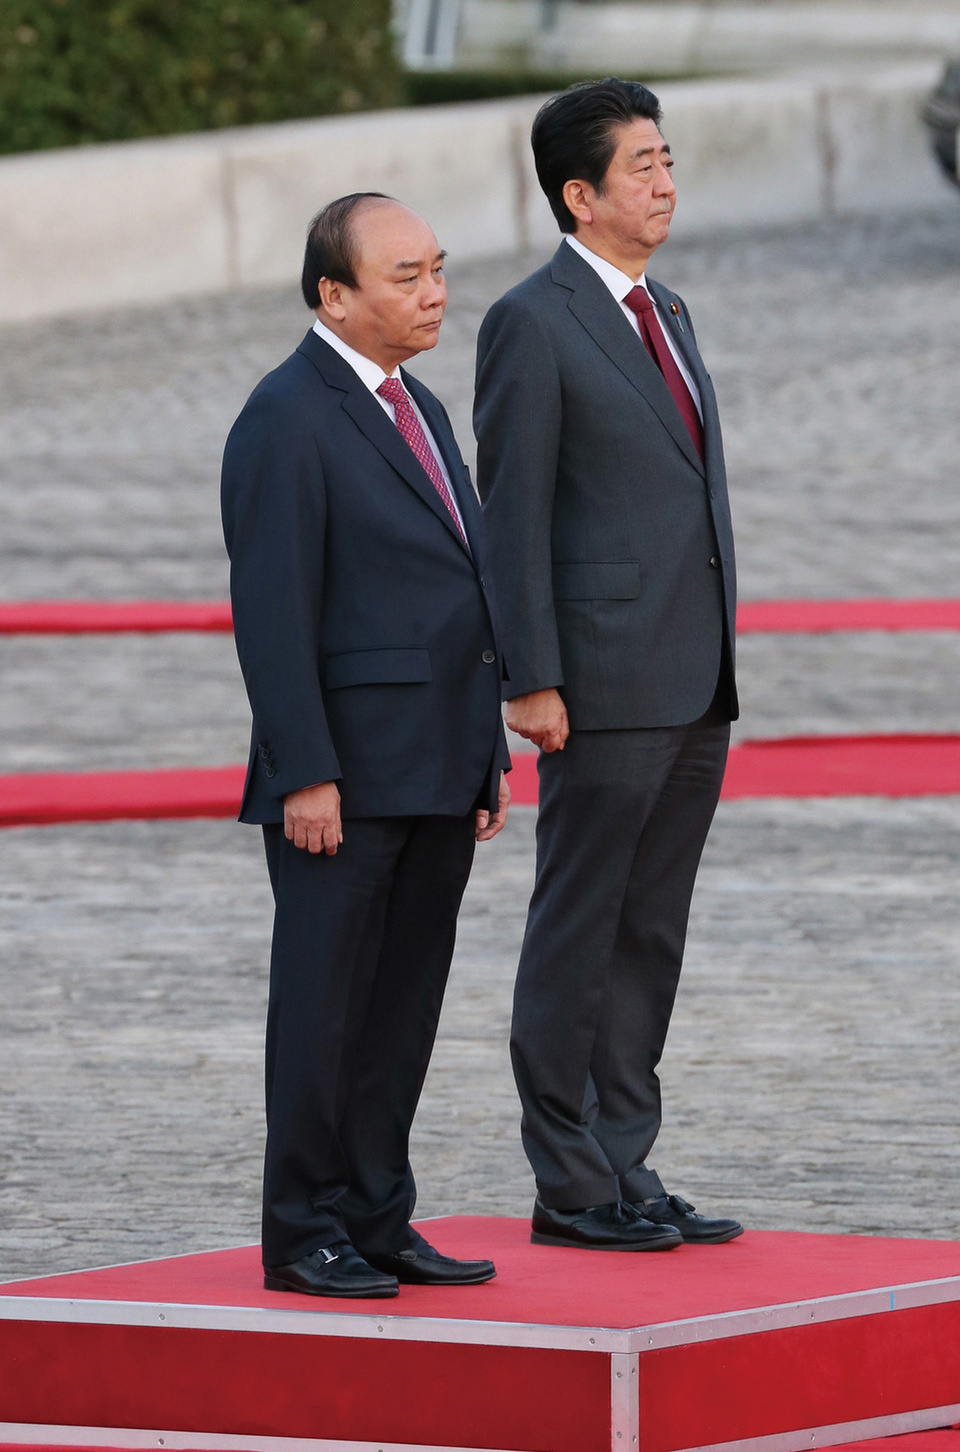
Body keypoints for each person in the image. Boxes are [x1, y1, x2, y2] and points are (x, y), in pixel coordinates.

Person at [222, 193, 511, 1298]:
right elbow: (273, 612)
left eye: (437, 269)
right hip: (341, 777)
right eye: (406, 276)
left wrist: (483, 753)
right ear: (333, 295)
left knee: (400, 1010)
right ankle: (302, 1232)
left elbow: (460, 584)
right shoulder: (287, 415)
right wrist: (305, 771)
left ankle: (377, 1216)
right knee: (323, 1009)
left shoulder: (419, 404)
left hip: (436, 762)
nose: (434, 293)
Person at [474, 79, 742, 1252]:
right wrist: (529, 675)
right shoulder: (532, 323)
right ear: (579, 196)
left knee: (649, 931)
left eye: (667, 159)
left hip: (692, 674)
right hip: (599, 681)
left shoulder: (665, 307)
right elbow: (513, 511)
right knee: (580, 928)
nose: (666, 181)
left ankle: (625, 1161)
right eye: (642, 165)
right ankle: (570, 1183)